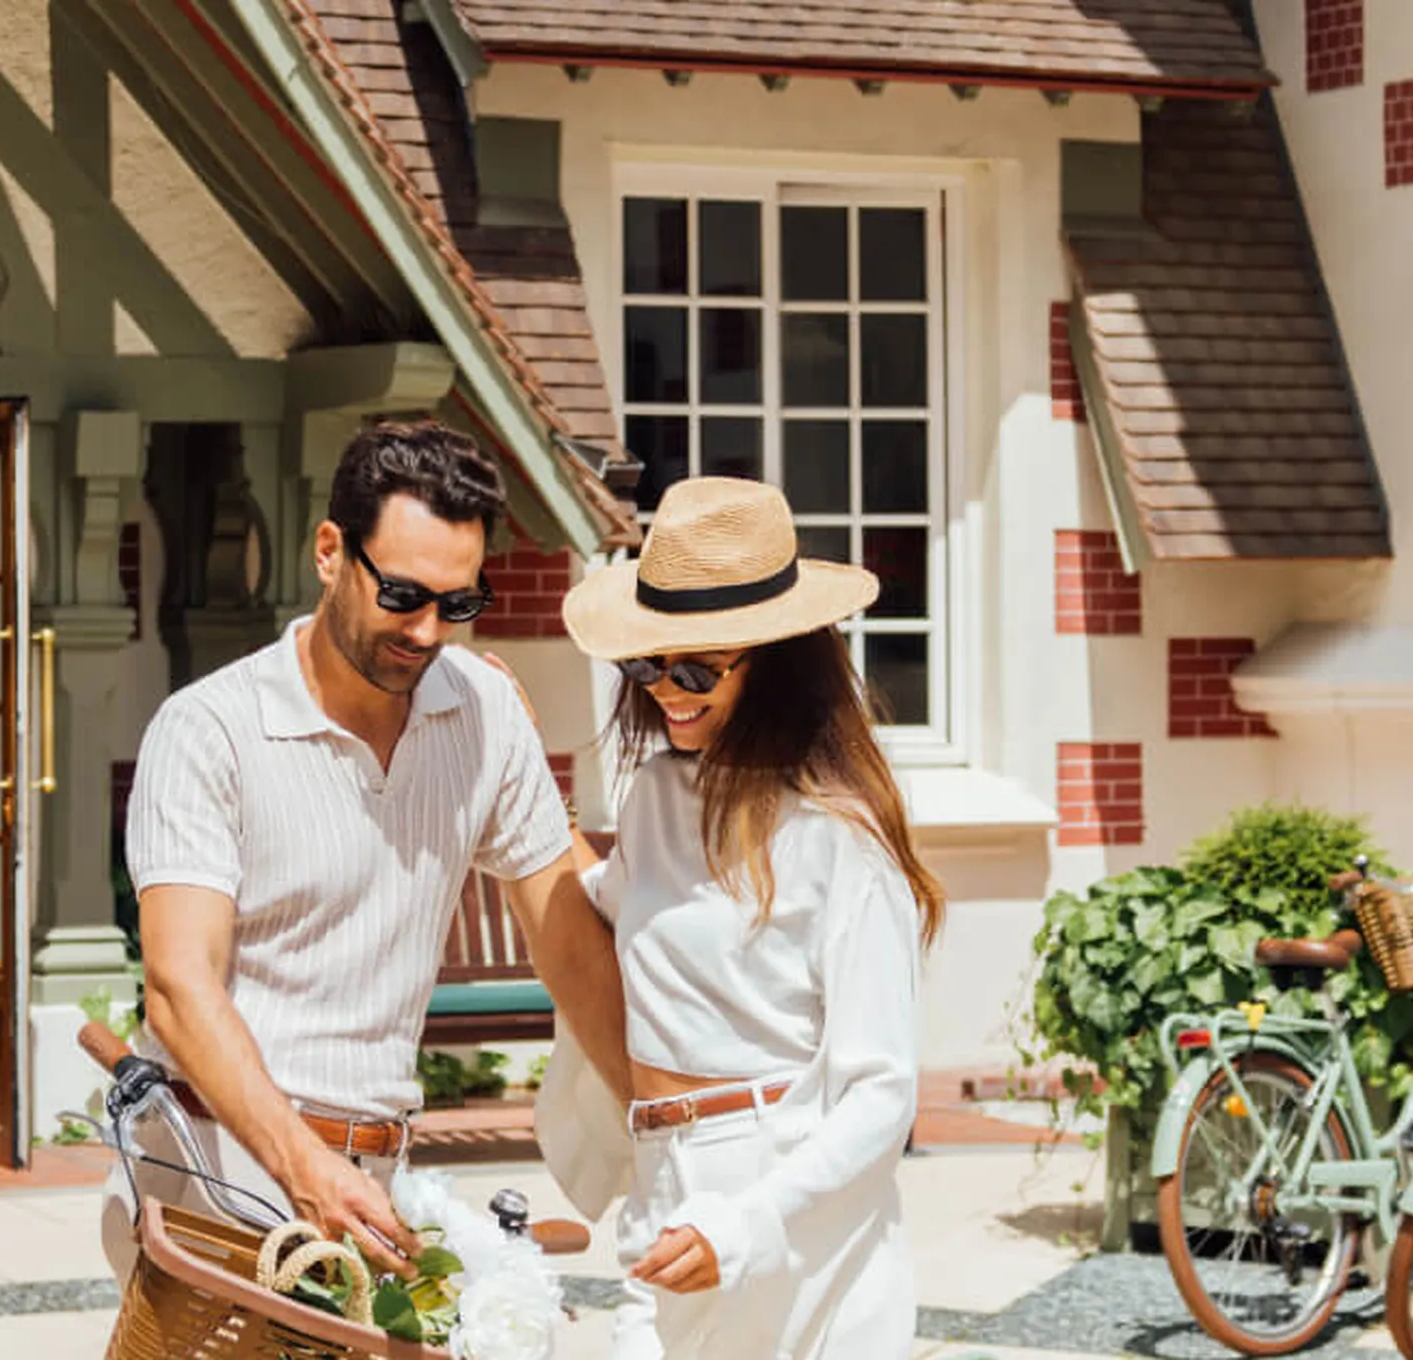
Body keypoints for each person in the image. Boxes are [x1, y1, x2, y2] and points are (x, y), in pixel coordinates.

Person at [100, 419, 628, 1284]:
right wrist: (305, 1170)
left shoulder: (484, 712)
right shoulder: (208, 732)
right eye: (404, 596)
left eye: (457, 605)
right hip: (215, 1172)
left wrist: (663, 1132)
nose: (427, 631)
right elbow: (177, 989)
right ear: (330, 551)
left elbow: (570, 942)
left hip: (374, 1176)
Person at [527, 476, 944, 1358]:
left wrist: (748, 1224)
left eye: (695, 669)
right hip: (663, 1180)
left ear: (780, 661)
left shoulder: (841, 839)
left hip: (789, 1199)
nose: (665, 693)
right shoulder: (653, 796)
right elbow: (606, 903)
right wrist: (514, 762)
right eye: (646, 666)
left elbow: (881, 1092)